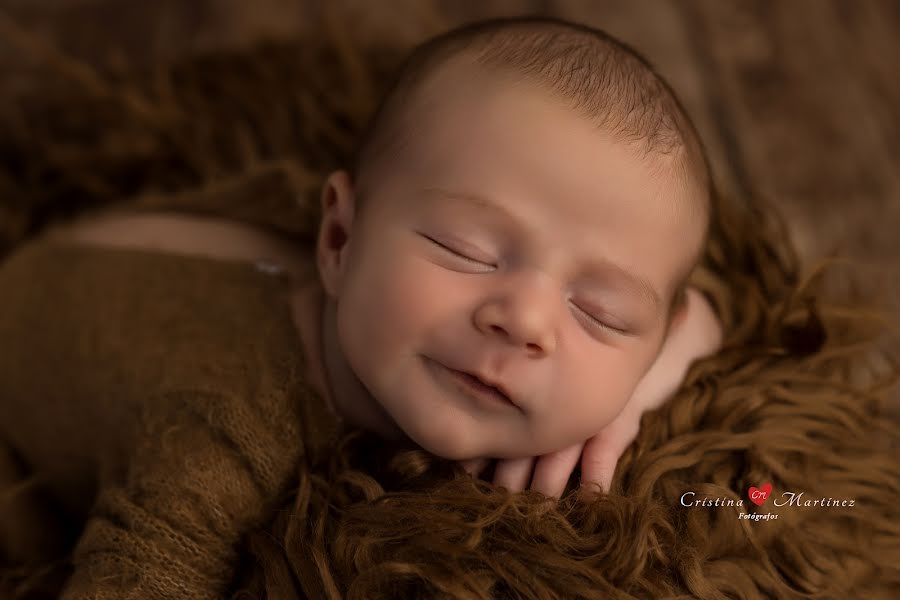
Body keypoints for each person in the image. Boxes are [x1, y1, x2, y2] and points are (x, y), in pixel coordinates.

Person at [0, 15, 723, 598]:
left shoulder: (389, 273)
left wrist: (636, 392)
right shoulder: (220, 433)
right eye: (467, 249)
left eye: (599, 312)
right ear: (338, 239)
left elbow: (707, 310)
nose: (527, 322)